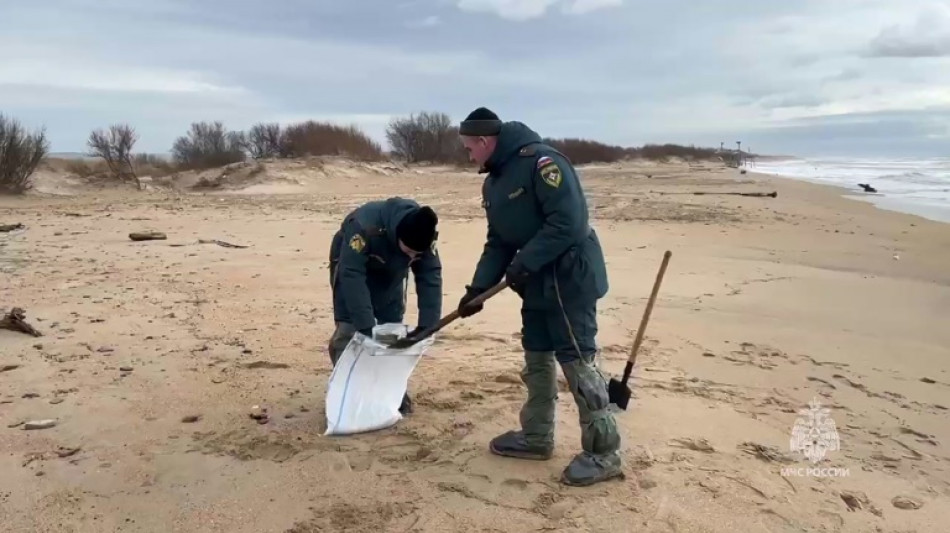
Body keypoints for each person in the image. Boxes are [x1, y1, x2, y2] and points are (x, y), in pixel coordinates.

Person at [455, 107, 622, 486]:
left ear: (484, 141)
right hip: (532, 282)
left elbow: (569, 222)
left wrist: (523, 263)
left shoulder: (543, 163)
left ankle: (604, 452)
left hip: (568, 278)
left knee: (577, 361)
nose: (469, 156)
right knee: (537, 358)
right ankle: (536, 436)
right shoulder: (494, 184)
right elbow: (498, 241)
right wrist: (477, 290)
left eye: (469, 148)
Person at [327, 197, 442, 415]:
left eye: (418, 255)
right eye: (410, 252)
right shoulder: (363, 228)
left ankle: (388, 389)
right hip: (352, 265)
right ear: (398, 235)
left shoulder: (424, 236)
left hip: (392, 271)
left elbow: (430, 274)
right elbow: (352, 275)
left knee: (390, 328)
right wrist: (365, 326)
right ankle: (349, 388)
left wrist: (428, 324)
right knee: (351, 328)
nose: (415, 257)